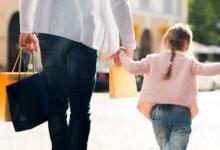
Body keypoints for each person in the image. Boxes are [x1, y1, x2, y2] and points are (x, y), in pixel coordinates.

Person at [19, 0, 136, 150]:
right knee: (80, 106)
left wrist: (26, 28)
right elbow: (119, 2)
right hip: (84, 31)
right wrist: (129, 44)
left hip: (51, 27)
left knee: (56, 104)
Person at [112, 23, 220, 150]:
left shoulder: (152, 59)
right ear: (187, 47)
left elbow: (132, 67)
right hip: (182, 113)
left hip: (158, 113)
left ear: (165, 41)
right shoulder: (190, 63)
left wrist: (121, 55)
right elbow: (209, 69)